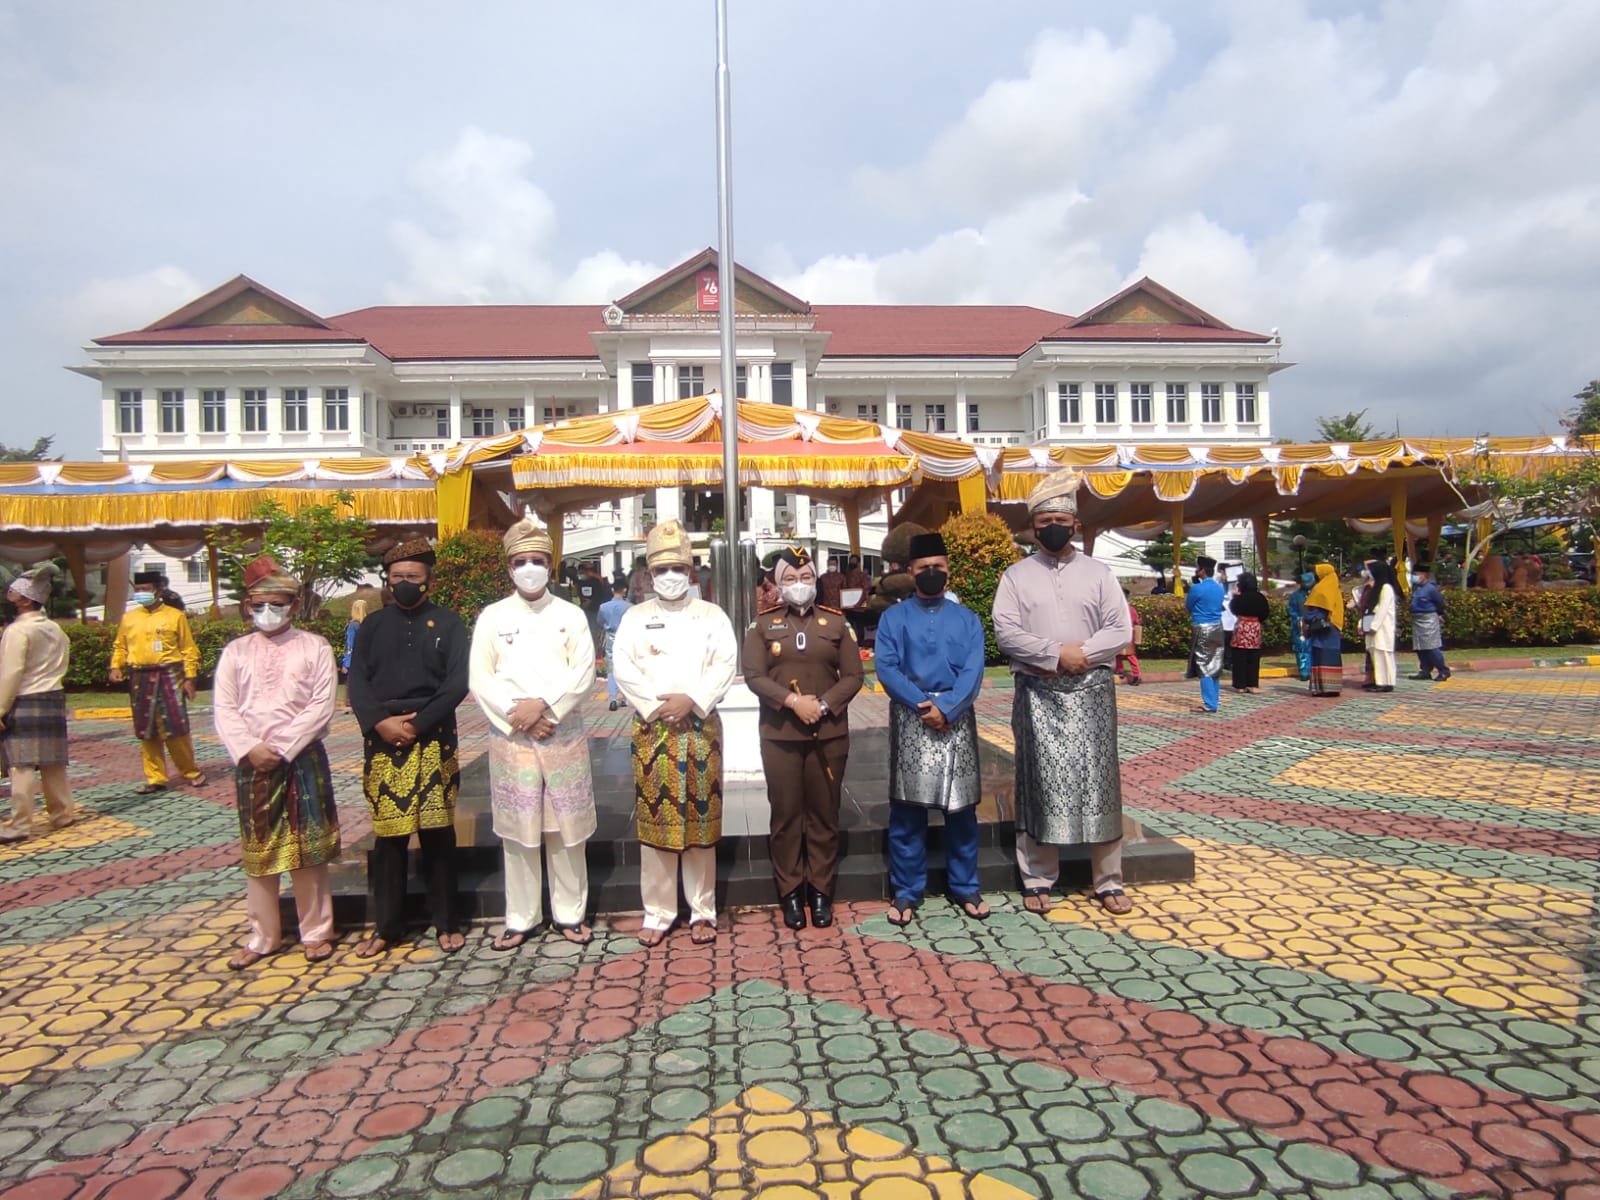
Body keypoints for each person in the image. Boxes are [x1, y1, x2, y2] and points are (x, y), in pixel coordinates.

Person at [993, 471, 1135, 917]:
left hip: (1091, 689)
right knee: (1038, 782)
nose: (1052, 526)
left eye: (1060, 518)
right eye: (1044, 520)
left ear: (1075, 524)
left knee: (1099, 782)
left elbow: (1120, 628)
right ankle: (1038, 879)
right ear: (1033, 528)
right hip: (1038, 690)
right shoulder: (1016, 576)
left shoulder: (1099, 573)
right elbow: (1005, 633)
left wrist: (1082, 655)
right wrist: (1056, 654)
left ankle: (1108, 881)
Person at [470, 515, 599, 950]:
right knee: (519, 830)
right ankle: (521, 918)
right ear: (509, 569)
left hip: (561, 733)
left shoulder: (571, 615)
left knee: (566, 830)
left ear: (551, 566)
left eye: (538, 560)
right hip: (512, 739)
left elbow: (582, 673)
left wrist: (546, 708)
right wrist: (517, 716)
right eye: (521, 561)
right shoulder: (492, 616)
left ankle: (570, 914)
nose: (530, 568)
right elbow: (480, 677)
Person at [611, 519, 737, 947]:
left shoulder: (711, 616)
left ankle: (703, 910)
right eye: (661, 569)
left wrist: (692, 700)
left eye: (678, 569)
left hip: (701, 729)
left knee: (701, 823)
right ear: (649, 573)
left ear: (691, 571)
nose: (670, 577)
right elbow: (623, 667)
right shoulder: (635, 617)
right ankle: (659, 911)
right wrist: (657, 706)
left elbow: (724, 664)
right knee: (656, 824)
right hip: (652, 732)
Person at [211, 557, 340, 970]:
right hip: (252, 762)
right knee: (258, 850)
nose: (268, 612)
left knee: (308, 848)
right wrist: (250, 748)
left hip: (301, 756)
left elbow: (321, 705)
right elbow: (224, 709)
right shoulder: (235, 652)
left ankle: (317, 932)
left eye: (277, 603)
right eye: (259, 604)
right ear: (247, 606)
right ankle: (263, 935)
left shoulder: (315, 647)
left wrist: (282, 746)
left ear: (295, 605)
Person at [347, 537, 470, 956]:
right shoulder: (371, 627)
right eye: (397, 577)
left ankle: (446, 921)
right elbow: (357, 682)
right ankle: (387, 926)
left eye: (412, 577)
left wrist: (418, 723)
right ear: (387, 580)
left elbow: (457, 682)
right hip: (383, 740)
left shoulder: (450, 624)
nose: (404, 583)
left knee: (438, 834)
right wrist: (380, 723)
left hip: (433, 735)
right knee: (389, 838)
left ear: (428, 581)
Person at [742, 546, 863, 930]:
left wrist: (823, 706)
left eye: (806, 577)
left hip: (828, 735)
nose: (799, 585)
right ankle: (792, 892)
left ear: (816, 580)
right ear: (777, 584)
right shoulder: (761, 625)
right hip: (781, 736)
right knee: (786, 816)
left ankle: (821, 891)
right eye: (790, 579)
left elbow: (854, 676)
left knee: (824, 814)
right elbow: (754, 677)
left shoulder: (836, 624)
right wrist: (793, 702)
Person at [876, 531, 986, 926]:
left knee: (962, 810)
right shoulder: (894, 618)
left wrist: (948, 708)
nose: (932, 573)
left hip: (955, 718)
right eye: (924, 568)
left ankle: (966, 886)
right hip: (912, 716)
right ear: (910, 572)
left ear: (949, 570)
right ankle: (907, 891)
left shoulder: (967, 619)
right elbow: (886, 668)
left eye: (939, 567)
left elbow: (974, 671)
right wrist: (924, 705)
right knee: (907, 810)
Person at [0, 566, 78, 844]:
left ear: (24, 600)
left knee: (21, 765)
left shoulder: (17, 631)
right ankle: (63, 813)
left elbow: (10, 673)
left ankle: (19, 824)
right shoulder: (55, 629)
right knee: (53, 762)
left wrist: (0, 709)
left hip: (24, 700)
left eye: (13, 591)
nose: (8, 593)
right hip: (53, 697)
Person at [110, 569, 206, 794]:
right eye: (138, 590)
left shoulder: (175, 616)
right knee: (146, 729)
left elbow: (188, 650)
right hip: (139, 675)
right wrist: (116, 665)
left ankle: (190, 771)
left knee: (175, 725)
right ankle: (155, 777)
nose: (141, 594)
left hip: (168, 674)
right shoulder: (129, 618)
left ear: (158, 590)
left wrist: (190, 678)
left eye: (146, 590)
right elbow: (120, 645)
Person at [1184, 557, 1226, 714]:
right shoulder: (1219, 588)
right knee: (1215, 663)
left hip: (1202, 627)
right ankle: (1214, 700)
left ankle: (1209, 703)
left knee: (1203, 664)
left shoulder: (1196, 588)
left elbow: (1188, 607)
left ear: (1201, 570)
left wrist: (1194, 584)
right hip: (1217, 626)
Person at [1304, 563, 1345, 697]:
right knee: (1332, 656)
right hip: (1334, 628)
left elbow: (1315, 610)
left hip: (1322, 631)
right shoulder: (1335, 587)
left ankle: (1321, 688)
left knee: (1320, 656)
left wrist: (1307, 618)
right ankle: (1332, 687)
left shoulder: (1320, 589)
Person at [1408, 563, 1451, 681]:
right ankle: (1425, 670)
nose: (1414, 576)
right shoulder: (1417, 588)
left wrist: (1440, 614)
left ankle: (1443, 670)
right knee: (1419, 647)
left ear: (1424, 575)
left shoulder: (1431, 588)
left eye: (1416, 574)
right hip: (1417, 620)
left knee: (1431, 646)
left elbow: (1440, 603)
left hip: (1428, 619)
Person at [1228, 573, 1270, 693]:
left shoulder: (1240, 597)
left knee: (1239, 655)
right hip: (1255, 627)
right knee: (1254, 655)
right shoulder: (1260, 597)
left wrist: (1235, 597)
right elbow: (1265, 612)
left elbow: (1234, 609)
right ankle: (1252, 684)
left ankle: (1239, 685)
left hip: (1242, 626)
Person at [1362, 559, 1398, 693]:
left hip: (1382, 628)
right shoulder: (1376, 587)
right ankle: (1379, 681)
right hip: (1372, 627)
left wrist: (1374, 626)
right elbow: (1369, 608)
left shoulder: (1386, 588)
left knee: (1384, 655)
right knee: (1375, 655)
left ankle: (1387, 682)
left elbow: (1382, 610)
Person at [598, 580, 632, 711]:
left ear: (612, 590)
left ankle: (612, 698)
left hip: (610, 636)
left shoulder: (603, 607)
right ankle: (624, 697)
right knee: (626, 666)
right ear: (624, 590)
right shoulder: (630, 607)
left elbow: (600, 621)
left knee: (611, 668)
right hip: (625, 637)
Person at [1287, 572, 1313, 681]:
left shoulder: (1316, 594)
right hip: (1300, 626)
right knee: (1301, 648)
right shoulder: (1295, 596)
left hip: (1314, 624)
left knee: (1313, 648)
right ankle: (1304, 672)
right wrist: (1297, 619)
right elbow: (1291, 609)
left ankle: (1313, 669)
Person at [840, 555, 873, 642]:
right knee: (849, 627)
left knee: (859, 627)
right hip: (848, 607)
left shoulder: (862, 575)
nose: (852, 563)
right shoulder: (846, 575)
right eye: (851, 561)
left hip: (859, 607)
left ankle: (860, 645)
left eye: (854, 561)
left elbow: (866, 590)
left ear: (858, 563)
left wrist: (859, 602)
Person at [1114, 588, 1142, 685]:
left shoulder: (1117, 609)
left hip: (1120, 633)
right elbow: (1137, 622)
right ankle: (1136, 674)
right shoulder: (1132, 609)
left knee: (1117, 654)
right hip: (1130, 634)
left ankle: (1120, 670)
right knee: (1131, 656)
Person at [342, 598, 369, 680]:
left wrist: (346, 664)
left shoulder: (353, 626)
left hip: (354, 663)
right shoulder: (369, 624)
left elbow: (350, 645)